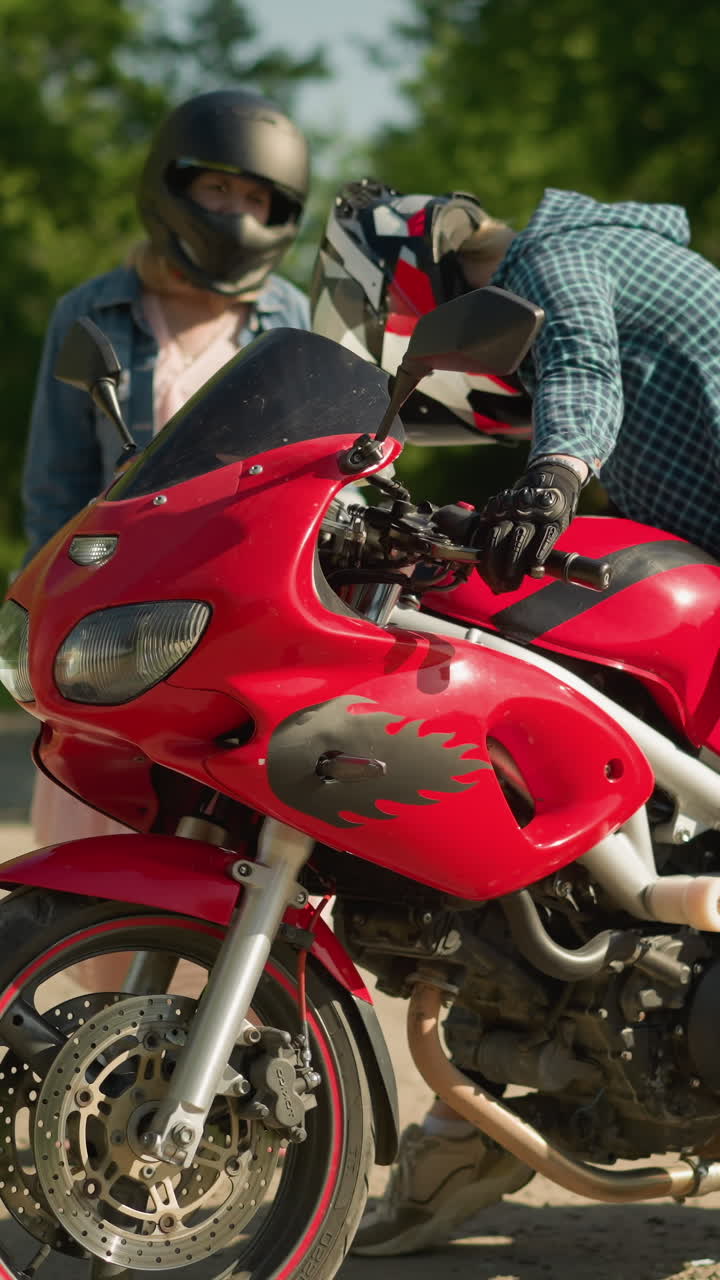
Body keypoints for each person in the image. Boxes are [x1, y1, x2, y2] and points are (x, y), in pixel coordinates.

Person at [310, 178, 720, 1256]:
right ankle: (493, 1108)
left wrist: (554, 477)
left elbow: (580, 376)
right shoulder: (557, 297)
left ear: (411, 286)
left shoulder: (552, 255)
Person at [23, 87, 311, 846]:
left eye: (257, 196)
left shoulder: (291, 317)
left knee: (228, 854)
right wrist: (44, 618)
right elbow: (54, 483)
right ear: (173, 184)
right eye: (217, 185)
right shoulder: (91, 312)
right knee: (96, 843)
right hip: (112, 616)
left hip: (239, 613)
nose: (236, 210)